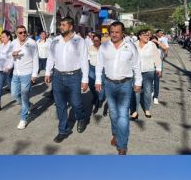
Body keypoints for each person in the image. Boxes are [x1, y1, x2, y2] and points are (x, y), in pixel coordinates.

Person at [95, 21, 141, 155]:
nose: (114, 35)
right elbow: (99, 65)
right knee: (114, 114)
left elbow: (137, 65)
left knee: (123, 115)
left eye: (117, 32)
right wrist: (98, 80)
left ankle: (122, 145)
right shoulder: (104, 46)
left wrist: (138, 82)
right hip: (109, 84)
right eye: (112, 32)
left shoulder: (130, 46)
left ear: (122, 33)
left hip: (125, 84)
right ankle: (115, 134)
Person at [46, 16, 90, 143]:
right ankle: (63, 130)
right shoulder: (55, 41)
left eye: (64, 24)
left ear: (71, 27)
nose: (61, 26)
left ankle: (81, 117)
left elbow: (84, 61)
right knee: (60, 106)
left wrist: (85, 79)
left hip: (74, 77)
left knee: (76, 103)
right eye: (60, 24)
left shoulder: (80, 41)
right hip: (58, 76)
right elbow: (51, 57)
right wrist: (48, 72)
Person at [7, 25, 40, 129]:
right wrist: (12, 56)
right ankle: (29, 105)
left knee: (24, 96)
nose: (23, 34)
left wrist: (34, 74)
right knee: (14, 94)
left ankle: (23, 118)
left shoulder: (32, 43)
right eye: (20, 32)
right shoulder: (13, 43)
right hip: (16, 73)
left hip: (27, 73)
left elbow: (35, 59)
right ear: (16, 34)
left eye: (24, 32)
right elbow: (9, 56)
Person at [130, 29, 162, 120]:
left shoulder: (151, 45)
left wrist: (158, 68)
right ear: (139, 36)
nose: (148, 37)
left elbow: (156, 57)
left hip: (149, 71)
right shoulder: (134, 45)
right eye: (145, 35)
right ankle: (135, 111)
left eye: (148, 35)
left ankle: (147, 109)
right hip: (136, 72)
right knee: (136, 91)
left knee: (148, 92)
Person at [0, 30, 15, 113]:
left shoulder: (11, 45)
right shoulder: (0, 45)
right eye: (1, 37)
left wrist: (9, 67)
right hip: (0, 70)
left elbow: (12, 58)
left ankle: (24, 102)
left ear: (8, 37)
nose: (2, 38)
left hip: (8, 70)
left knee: (13, 88)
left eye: (4, 37)